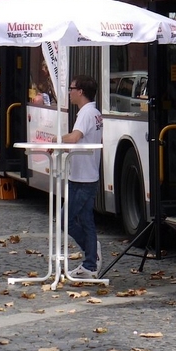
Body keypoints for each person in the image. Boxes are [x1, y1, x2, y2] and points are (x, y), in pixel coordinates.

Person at [62, 75, 103, 279]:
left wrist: (54, 140)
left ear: (80, 92)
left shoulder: (86, 114)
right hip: (85, 175)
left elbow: (75, 137)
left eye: (71, 88)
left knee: (64, 219)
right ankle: (89, 265)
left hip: (82, 178)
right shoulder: (93, 113)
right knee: (86, 220)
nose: (69, 92)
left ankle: (91, 253)